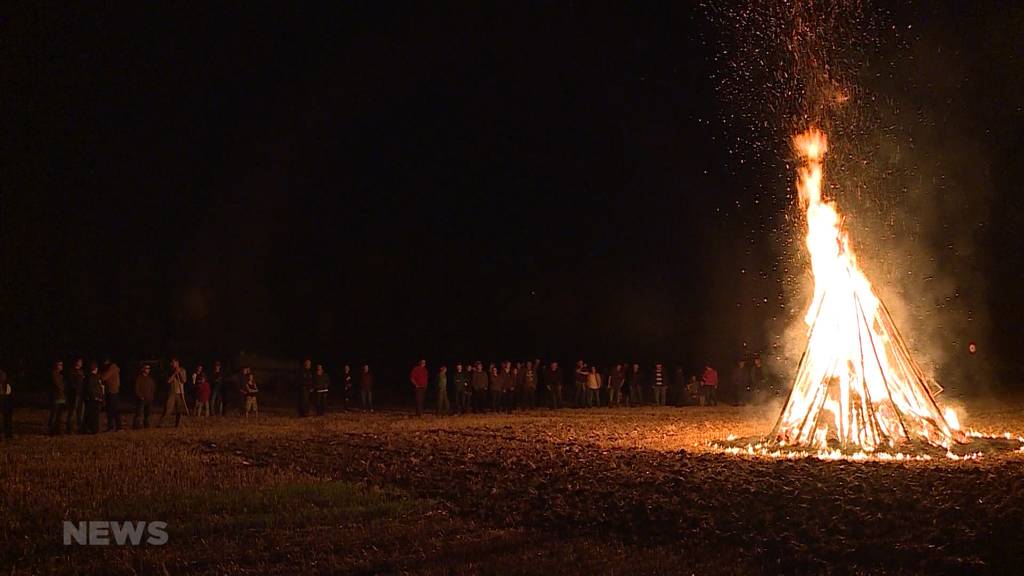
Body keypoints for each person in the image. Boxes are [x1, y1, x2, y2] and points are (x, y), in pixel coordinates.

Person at [161, 357, 188, 427]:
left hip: (180, 392)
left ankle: (178, 424)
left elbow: (184, 380)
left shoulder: (182, 370)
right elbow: (168, 381)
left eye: (173, 362)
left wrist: (179, 373)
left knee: (179, 409)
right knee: (168, 408)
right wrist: (174, 373)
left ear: (177, 363)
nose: (171, 364)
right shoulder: (170, 371)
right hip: (172, 392)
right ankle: (162, 423)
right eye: (171, 362)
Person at [81, 362, 104, 434]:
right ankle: (93, 429)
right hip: (93, 399)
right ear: (95, 369)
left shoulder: (89, 377)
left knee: (89, 415)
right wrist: (97, 396)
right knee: (94, 415)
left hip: (91, 398)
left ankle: (87, 429)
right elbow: (92, 388)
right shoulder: (93, 377)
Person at [101, 359, 122, 431]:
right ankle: (116, 426)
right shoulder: (114, 368)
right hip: (114, 391)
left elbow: (104, 377)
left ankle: (114, 427)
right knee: (114, 410)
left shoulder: (112, 368)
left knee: (112, 410)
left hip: (112, 392)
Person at [134, 363, 156, 429]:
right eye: (146, 368)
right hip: (142, 399)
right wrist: (140, 396)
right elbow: (136, 388)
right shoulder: (139, 378)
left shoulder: (150, 379)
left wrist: (151, 396)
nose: (148, 370)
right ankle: (137, 426)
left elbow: (153, 388)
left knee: (148, 414)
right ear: (143, 369)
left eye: (149, 368)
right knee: (139, 413)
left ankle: (147, 425)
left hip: (149, 399)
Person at [66, 357, 85, 433]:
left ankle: (79, 427)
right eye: (79, 362)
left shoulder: (81, 371)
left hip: (81, 394)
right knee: (73, 411)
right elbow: (71, 384)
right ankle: (70, 428)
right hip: (74, 394)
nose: (80, 363)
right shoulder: (71, 371)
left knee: (80, 412)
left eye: (81, 362)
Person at [48, 360, 66, 436]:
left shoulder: (59, 375)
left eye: (62, 365)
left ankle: (57, 429)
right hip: (56, 397)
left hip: (60, 397)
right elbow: (58, 386)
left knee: (59, 415)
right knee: (55, 414)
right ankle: (52, 430)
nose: (61, 366)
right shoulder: (54, 374)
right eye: (60, 365)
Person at [0, 369, 11, 441]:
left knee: (6, 416)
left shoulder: (7, 386)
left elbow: (8, 393)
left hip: (5, 400)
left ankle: (6, 433)